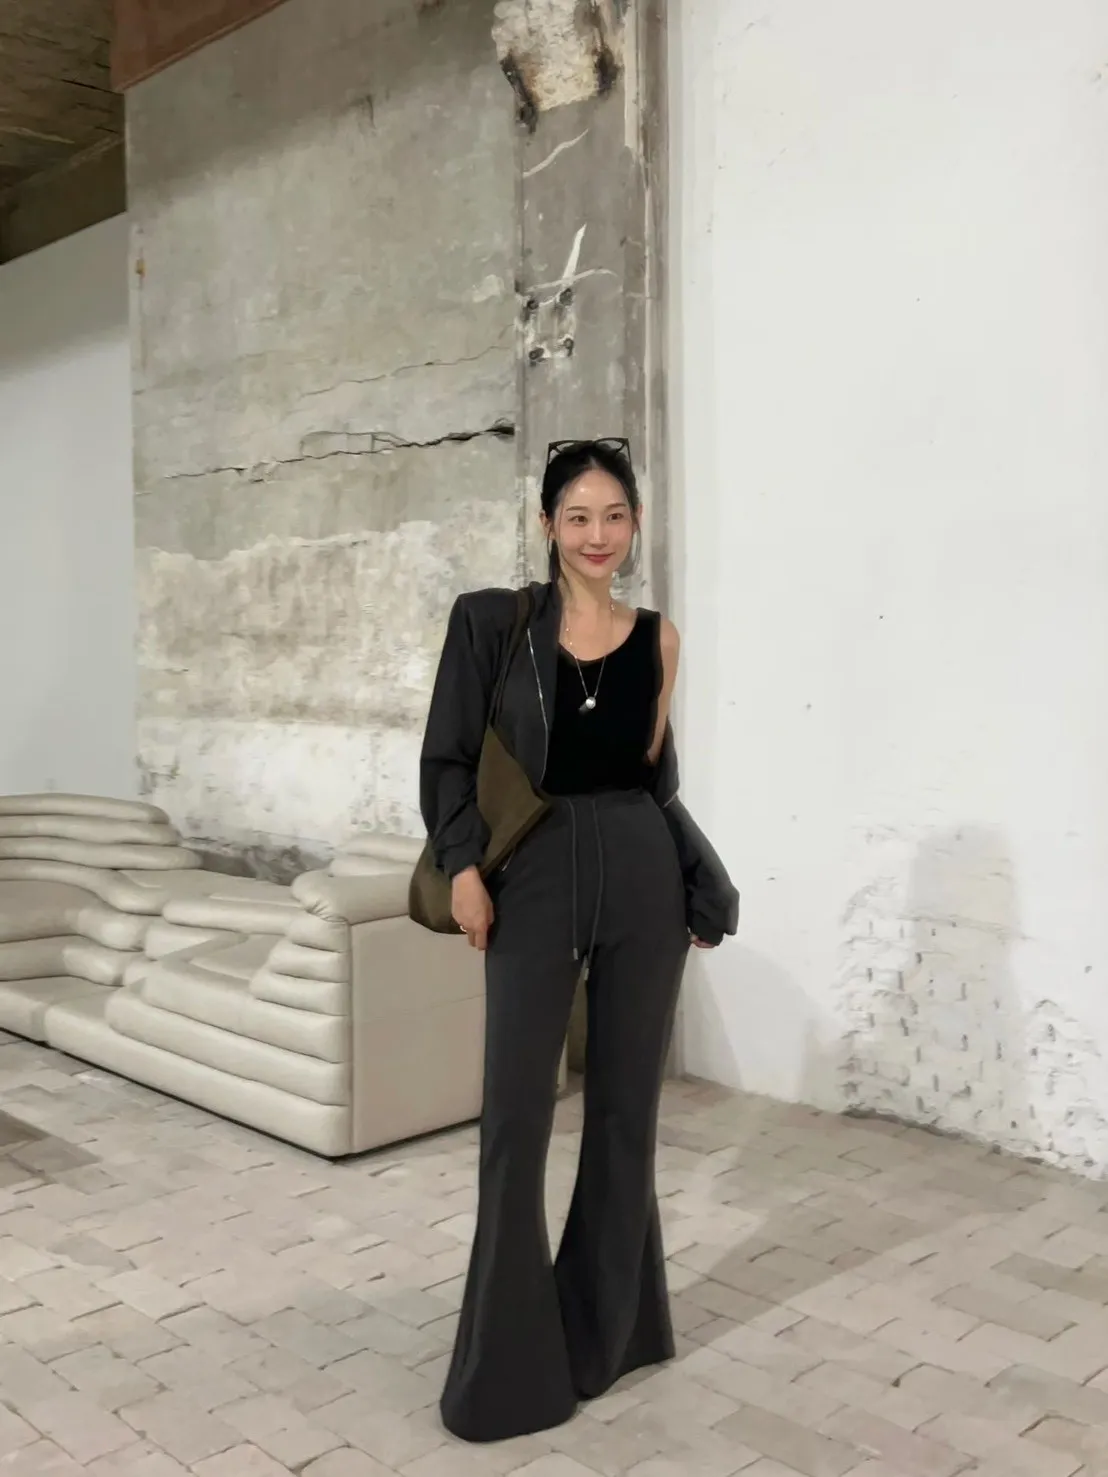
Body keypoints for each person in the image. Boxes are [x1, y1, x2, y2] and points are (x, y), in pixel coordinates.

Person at [419, 437, 738, 1443]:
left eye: (614, 516)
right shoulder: (492, 623)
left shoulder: (660, 640)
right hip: (535, 875)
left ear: (633, 523)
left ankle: (609, 1334)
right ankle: (506, 1371)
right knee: (516, 1119)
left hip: (641, 873)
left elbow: (655, 781)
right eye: (577, 517)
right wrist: (464, 867)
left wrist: (696, 879)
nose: (598, 535)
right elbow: (447, 758)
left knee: (626, 1113)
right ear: (547, 524)